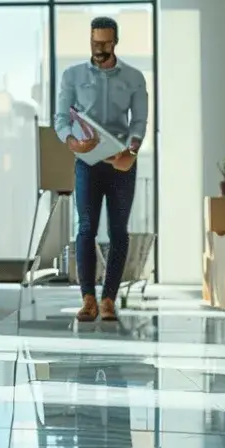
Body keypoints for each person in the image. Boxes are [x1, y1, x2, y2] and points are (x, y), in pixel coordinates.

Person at [52, 16, 148, 323]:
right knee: (86, 228)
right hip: (87, 162)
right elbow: (61, 119)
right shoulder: (72, 75)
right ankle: (88, 299)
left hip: (121, 162)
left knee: (118, 232)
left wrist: (131, 149)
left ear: (115, 42)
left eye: (105, 43)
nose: (100, 49)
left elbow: (139, 121)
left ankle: (109, 300)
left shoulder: (134, 78)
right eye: (95, 43)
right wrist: (71, 142)